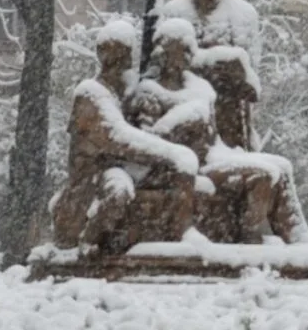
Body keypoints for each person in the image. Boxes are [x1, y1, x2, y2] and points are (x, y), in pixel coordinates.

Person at [127, 18, 308, 246]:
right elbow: (149, 143)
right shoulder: (150, 93)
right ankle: (249, 237)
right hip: (187, 167)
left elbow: (213, 138)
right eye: (177, 51)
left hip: (214, 156)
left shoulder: (200, 88)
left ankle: (296, 232)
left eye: (186, 51)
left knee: (281, 166)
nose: (183, 58)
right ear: (163, 54)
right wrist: (182, 119)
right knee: (263, 174)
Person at [50, 20, 198, 253]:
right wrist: (173, 153)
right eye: (116, 58)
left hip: (111, 172)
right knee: (119, 191)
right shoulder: (90, 94)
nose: (121, 65)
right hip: (89, 183)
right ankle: (87, 245)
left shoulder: (117, 96)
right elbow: (118, 138)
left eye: (124, 57)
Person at [159, 0, 261, 149]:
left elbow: (252, 75)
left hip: (228, 109)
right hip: (188, 103)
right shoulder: (176, 13)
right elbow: (164, 65)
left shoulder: (242, 14)